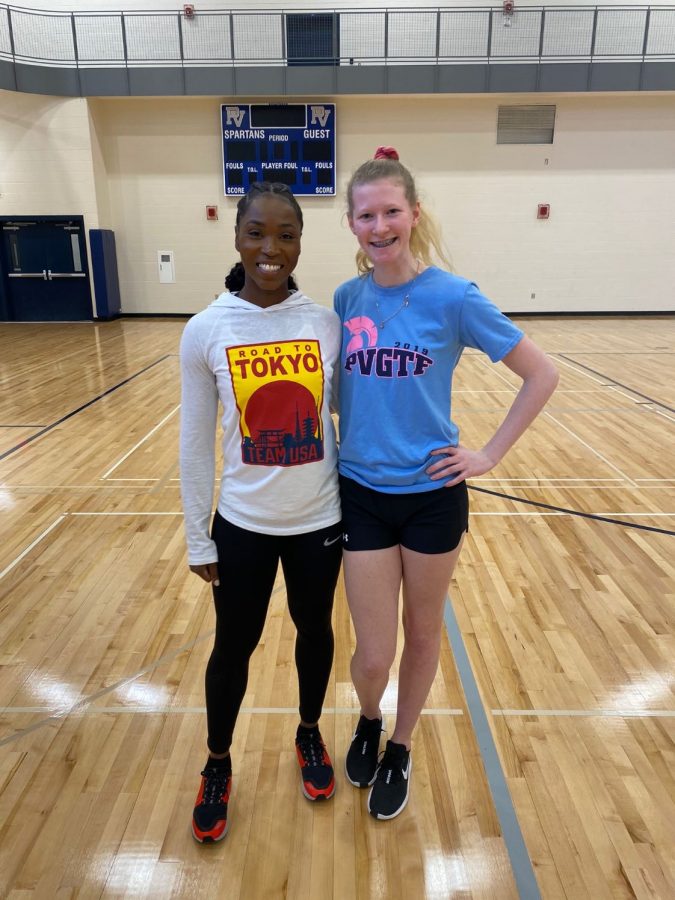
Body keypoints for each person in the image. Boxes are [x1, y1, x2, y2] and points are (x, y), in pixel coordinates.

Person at [334, 147, 559, 821]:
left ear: (413, 214)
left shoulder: (452, 296)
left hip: (432, 496)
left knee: (422, 632)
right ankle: (369, 718)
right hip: (362, 495)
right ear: (350, 223)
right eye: (366, 215)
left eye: (391, 212)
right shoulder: (347, 298)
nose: (380, 226)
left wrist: (487, 452)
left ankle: (399, 744)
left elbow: (540, 373)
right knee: (373, 655)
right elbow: (341, 395)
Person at [180, 181, 343, 843]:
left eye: (285, 235)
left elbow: (346, 422)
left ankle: (308, 732)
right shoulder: (208, 328)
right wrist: (199, 536)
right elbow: (194, 441)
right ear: (237, 236)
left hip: (319, 521)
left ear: (300, 242)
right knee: (233, 648)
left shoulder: (324, 324)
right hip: (242, 527)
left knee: (315, 633)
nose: (270, 248)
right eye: (257, 233)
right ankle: (217, 761)